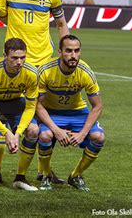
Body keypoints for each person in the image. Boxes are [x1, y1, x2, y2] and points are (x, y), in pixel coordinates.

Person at [0, 0, 69, 183]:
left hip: (42, 61)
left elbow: (61, 24)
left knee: (42, 118)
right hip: (15, 62)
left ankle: (43, 170)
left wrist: (65, 51)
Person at [37, 35, 105, 192]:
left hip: (77, 112)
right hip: (51, 112)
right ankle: (46, 174)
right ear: (60, 52)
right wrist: (56, 130)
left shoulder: (85, 71)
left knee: (98, 137)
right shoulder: (45, 70)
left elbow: (97, 106)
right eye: (68, 51)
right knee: (45, 135)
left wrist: (82, 133)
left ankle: (76, 175)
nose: (73, 55)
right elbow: (37, 105)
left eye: (76, 51)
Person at [0, 38, 39, 191]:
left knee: (34, 130)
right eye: (14, 58)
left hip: (15, 102)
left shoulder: (31, 73)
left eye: (22, 57)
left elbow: (30, 107)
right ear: (4, 55)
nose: (19, 62)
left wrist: (17, 133)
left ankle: (20, 178)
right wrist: (6, 132)